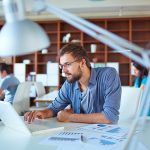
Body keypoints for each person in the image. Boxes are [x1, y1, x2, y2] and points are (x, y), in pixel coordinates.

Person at [24, 43, 121, 124]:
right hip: (79, 134)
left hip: (104, 136)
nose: (64, 70)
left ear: (82, 63)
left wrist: (70, 117)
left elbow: (110, 117)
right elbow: (54, 108)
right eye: (62, 66)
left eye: (68, 64)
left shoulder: (108, 75)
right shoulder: (69, 84)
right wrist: (43, 113)